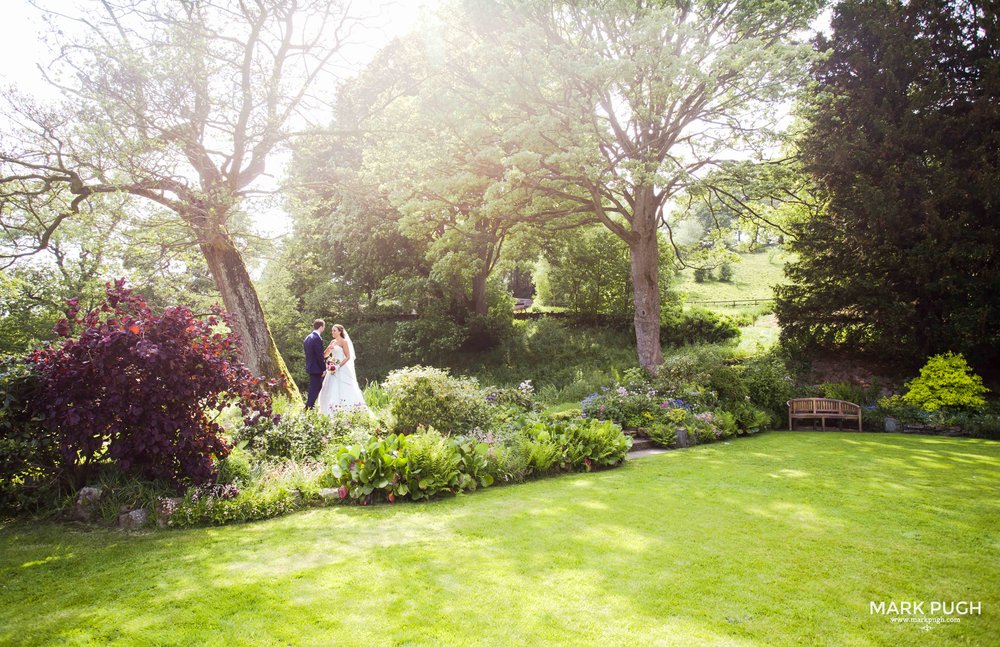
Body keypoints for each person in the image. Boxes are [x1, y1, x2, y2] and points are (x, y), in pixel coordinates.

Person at [317, 324, 371, 415]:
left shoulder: (344, 341)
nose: (332, 332)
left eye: (334, 330)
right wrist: (329, 349)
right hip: (332, 369)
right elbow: (325, 355)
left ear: (340, 332)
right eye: (332, 330)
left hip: (342, 368)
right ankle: (329, 412)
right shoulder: (332, 342)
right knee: (329, 388)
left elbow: (348, 357)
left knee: (346, 387)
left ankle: (350, 411)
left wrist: (338, 366)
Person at [303, 319, 326, 409]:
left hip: (311, 366)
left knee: (314, 387)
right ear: (321, 327)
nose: (323, 328)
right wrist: (324, 368)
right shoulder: (316, 338)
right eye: (323, 327)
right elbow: (319, 356)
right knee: (315, 388)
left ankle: (310, 406)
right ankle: (309, 407)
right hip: (317, 368)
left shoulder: (308, 337)